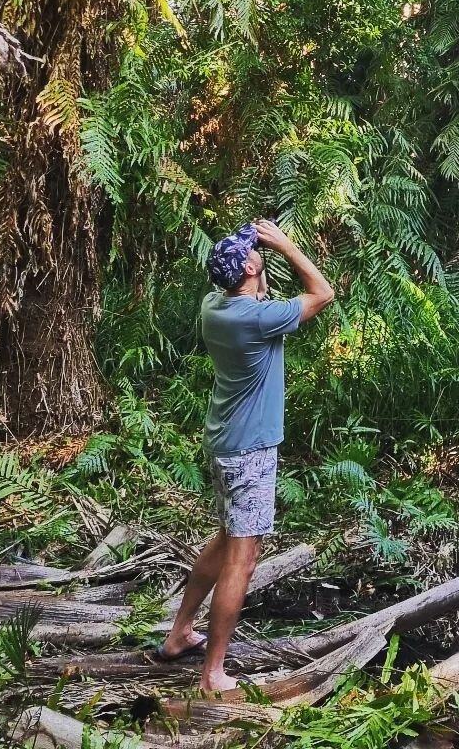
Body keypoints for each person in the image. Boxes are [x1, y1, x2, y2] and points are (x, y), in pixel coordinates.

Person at [158, 218, 335, 692]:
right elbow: (323, 292)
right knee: (244, 558)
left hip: (223, 443)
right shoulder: (257, 318)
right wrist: (287, 245)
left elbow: (247, 286)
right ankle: (213, 673)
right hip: (249, 452)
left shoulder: (215, 305)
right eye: (254, 256)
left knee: (224, 537)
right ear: (252, 269)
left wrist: (257, 261)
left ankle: (179, 633)